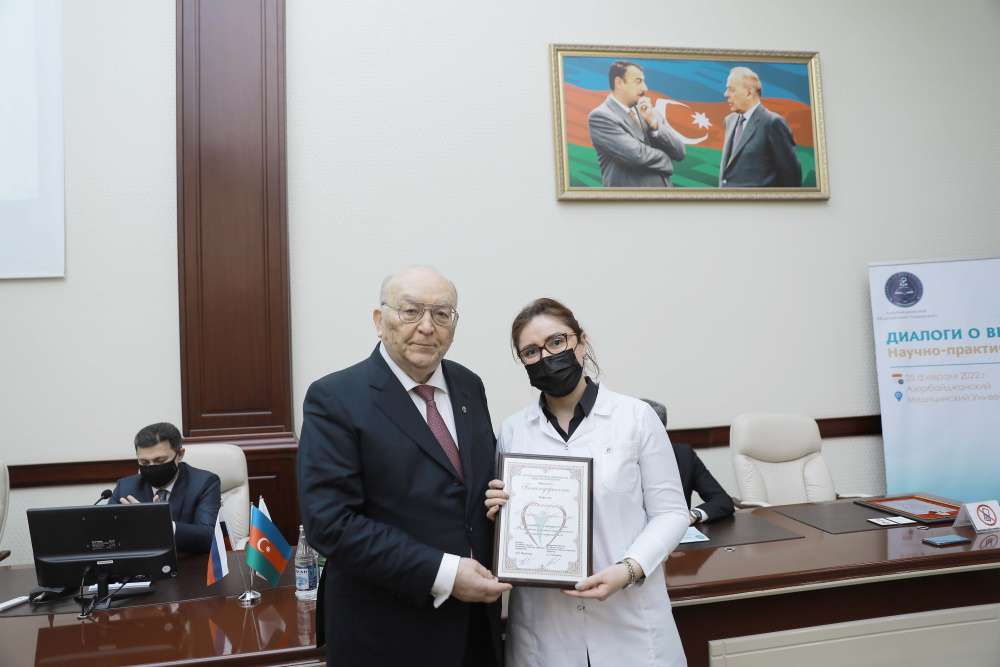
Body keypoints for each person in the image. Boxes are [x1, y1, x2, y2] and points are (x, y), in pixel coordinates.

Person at [297, 266, 509, 667]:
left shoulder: (469, 385)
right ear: (379, 320)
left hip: (475, 627)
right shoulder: (335, 398)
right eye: (411, 311)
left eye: (442, 314)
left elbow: (468, 490)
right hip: (386, 631)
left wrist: (499, 497)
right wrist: (445, 573)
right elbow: (331, 524)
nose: (427, 327)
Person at [485, 298, 689, 667]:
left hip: (630, 624)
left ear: (581, 342)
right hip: (545, 633)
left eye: (557, 342)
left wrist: (629, 569)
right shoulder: (513, 431)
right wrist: (497, 511)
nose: (546, 357)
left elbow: (672, 513)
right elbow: (510, 528)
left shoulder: (636, 417)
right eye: (531, 351)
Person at [110, 422, 221, 554]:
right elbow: (106, 531)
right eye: (144, 462)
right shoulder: (125, 487)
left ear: (180, 454)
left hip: (187, 562)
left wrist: (161, 524)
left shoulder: (204, 483)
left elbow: (208, 537)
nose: (152, 466)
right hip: (141, 562)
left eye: (160, 460)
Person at [588, 60, 686, 187]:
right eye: (638, 81)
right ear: (619, 83)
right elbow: (637, 155)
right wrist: (667, 159)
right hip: (631, 199)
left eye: (644, 81)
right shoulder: (601, 116)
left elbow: (680, 152)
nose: (645, 88)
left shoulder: (650, 112)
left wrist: (654, 124)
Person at [641, 399, 735, 524]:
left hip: (675, 532)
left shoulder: (683, 455)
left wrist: (693, 515)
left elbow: (722, 500)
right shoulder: (619, 461)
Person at [719, 66, 802, 188]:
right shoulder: (729, 121)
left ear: (749, 92)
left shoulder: (773, 123)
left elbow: (791, 178)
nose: (726, 94)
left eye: (731, 89)